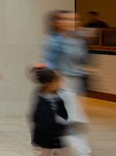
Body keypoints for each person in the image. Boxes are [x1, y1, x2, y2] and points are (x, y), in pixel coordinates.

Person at [42, 10, 92, 155]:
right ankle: (79, 150)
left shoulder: (79, 39)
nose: (71, 22)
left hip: (77, 81)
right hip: (61, 82)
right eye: (67, 19)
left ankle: (58, 145)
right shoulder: (53, 40)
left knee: (78, 118)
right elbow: (49, 62)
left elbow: (83, 60)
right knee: (70, 117)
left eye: (74, 19)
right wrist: (58, 81)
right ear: (57, 22)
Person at [31, 66, 69, 155]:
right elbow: (37, 117)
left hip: (56, 130)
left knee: (61, 151)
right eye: (58, 81)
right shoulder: (42, 100)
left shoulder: (57, 97)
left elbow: (63, 112)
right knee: (46, 152)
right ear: (49, 84)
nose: (60, 83)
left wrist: (63, 122)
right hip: (45, 132)